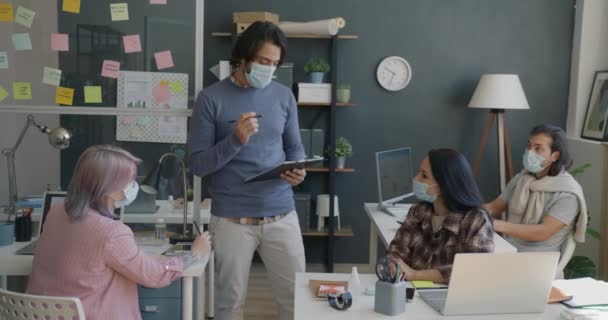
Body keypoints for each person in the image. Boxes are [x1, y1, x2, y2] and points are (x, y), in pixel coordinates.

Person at [189, 21, 306, 320]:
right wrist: (235, 140)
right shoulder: (210, 98)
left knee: (297, 303)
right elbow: (199, 165)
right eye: (263, 61)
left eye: (275, 63)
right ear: (244, 57)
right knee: (229, 305)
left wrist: (298, 171)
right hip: (231, 220)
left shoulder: (283, 96)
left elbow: (295, 148)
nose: (269, 69)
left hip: (282, 213)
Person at [27, 145, 211, 320]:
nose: (134, 185)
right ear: (110, 189)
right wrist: (193, 254)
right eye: (130, 181)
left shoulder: (57, 212)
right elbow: (154, 275)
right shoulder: (112, 233)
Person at [387, 149, 494, 284]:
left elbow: (473, 269)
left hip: (452, 298)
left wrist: (415, 275)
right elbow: (396, 250)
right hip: (411, 292)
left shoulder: (476, 220)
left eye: (424, 176)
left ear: (444, 184)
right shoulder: (418, 211)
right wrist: (395, 265)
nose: (415, 179)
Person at [485, 124, 588, 254]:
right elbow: (495, 206)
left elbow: (543, 232)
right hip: (509, 248)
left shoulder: (568, 193)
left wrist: (496, 225)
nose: (530, 152)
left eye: (538, 149)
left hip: (540, 258)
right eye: (529, 146)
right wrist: (469, 212)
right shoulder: (522, 179)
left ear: (554, 156)